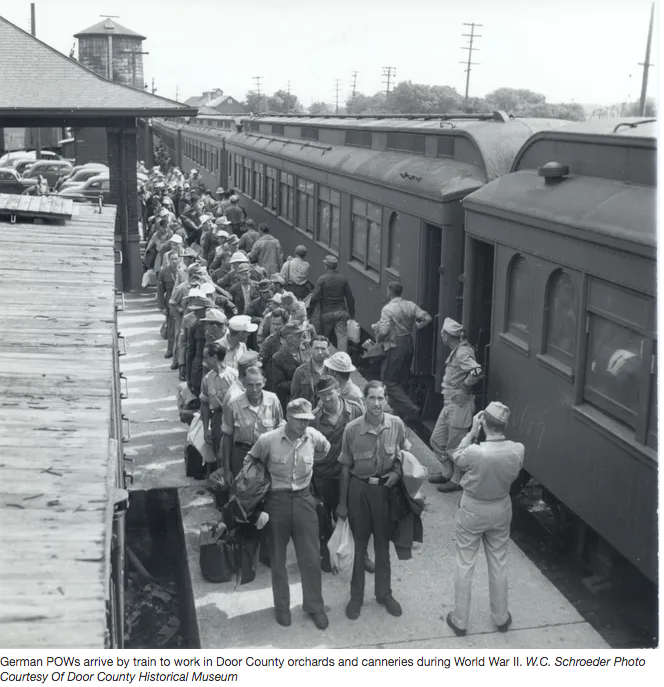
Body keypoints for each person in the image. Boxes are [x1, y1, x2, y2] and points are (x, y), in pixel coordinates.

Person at [244, 398, 331, 630]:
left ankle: (315, 606)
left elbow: (325, 450)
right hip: (276, 502)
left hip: (304, 500)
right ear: (288, 418)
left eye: (307, 420)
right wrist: (257, 485)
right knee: (278, 559)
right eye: (300, 420)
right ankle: (282, 607)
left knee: (311, 558)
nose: (304, 424)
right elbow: (250, 459)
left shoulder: (313, 437)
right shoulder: (268, 440)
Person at [445, 403, 524, 637]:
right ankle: (501, 618)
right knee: (499, 562)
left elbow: (456, 455)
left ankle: (460, 620)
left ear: (484, 423)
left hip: (473, 509)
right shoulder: (518, 449)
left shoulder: (475, 452)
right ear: (504, 425)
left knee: (465, 562)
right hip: (501, 507)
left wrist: (471, 432)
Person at [337, 381, 410, 620]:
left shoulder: (397, 425)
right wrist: (343, 502)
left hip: (385, 492)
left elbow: (404, 456)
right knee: (359, 546)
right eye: (372, 398)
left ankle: (384, 594)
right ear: (364, 400)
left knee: (382, 545)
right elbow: (346, 468)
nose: (377, 404)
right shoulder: (352, 429)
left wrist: (397, 474)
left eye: (381, 398)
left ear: (385, 399)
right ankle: (356, 598)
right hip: (359, 491)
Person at [311, 377, 364, 572]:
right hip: (324, 475)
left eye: (329, 393)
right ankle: (328, 554)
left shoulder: (355, 410)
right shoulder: (315, 419)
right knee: (324, 518)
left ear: (338, 391)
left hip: (351, 473)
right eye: (322, 395)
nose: (326, 398)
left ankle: (360, 555)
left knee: (355, 515)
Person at [429, 317, 483, 494]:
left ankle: (457, 480)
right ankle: (448, 472)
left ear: (446, 336)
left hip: (460, 405)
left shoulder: (461, 353)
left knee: (455, 446)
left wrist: (466, 386)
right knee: (437, 440)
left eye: (443, 334)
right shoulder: (458, 350)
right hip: (451, 403)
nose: (442, 336)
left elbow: (477, 370)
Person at [372, 281, 432, 423]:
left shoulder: (388, 309)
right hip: (408, 343)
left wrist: (378, 337)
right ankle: (397, 409)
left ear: (389, 291)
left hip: (395, 345)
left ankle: (410, 407)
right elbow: (427, 318)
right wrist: (418, 326)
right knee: (401, 378)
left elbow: (384, 330)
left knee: (388, 380)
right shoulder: (410, 305)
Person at [221, 366, 283, 480]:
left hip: (267, 456)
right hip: (241, 456)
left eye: (258, 384)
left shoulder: (273, 400)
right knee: (241, 492)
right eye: (250, 385)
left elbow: (281, 430)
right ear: (243, 383)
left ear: (264, 382)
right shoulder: (233, 404)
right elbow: (227, 437)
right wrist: (226, 469)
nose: (254, 389)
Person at [200, 342, 239, 464]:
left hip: (235, 418)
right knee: (219, 454)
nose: (204, 361)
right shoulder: (207, 379)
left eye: (206, 357)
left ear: (215, 357)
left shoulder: (235, 376)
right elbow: (205, 405)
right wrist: (206, 428)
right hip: (218, 419)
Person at [308, 255, 355, 353]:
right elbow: (350, 298)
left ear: (326, 266)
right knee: (342, 337)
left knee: (324, 337)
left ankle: (325, 356)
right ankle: (342, 359)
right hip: (341, 312)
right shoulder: (343, 279)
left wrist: (309, 312)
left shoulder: (322, 279)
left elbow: (314, 298)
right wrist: (351, 314)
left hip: (326, 313)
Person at [187, 309, 227, 397]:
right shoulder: (209, 336)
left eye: (207, 324)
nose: (205, 327)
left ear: (215, 326)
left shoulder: (231, 340)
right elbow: (205, 365)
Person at [271, 321, 307, 410]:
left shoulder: (306, 349)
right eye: (298, 337)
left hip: (308, 398)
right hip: (291, 401)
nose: (302, 339)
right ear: (288, 339)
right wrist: (299, 382)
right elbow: (279, 385)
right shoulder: (278, 358)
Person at [290, 335, 329, 404]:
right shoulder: (300, 371)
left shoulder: (333, 371)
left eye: (323, 349)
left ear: (328, 349)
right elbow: (294, 399)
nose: (320, 352)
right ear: (310, 349)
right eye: (316, 348)